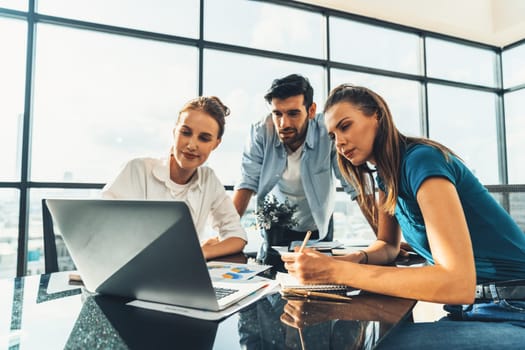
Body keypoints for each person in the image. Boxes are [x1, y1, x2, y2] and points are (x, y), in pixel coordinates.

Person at [282, 84, 525, 348]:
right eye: (332, 136)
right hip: (472, 310)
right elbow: (388, 245)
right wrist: (357, 258)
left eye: (345, 126)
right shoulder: (387, 178)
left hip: (511, 309)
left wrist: (337, 271)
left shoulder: (422, 161)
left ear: (377, 116)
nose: (339, 142)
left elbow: (457, 281)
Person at [102, 96, 247, 260]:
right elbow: (102, 226)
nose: (192, 145)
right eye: (186, 133)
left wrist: (199, 253)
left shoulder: (209, 180)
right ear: (174, 131)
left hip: (180, 274)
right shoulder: (137, 170)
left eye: (204, 138)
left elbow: (237, 236)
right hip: (130, 270)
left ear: (216, 143)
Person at [232, 74, 357, 256]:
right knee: (271, 272)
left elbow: (354, 185)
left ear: (311, 110)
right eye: (277, 114)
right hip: (277, 221)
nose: (284, 124)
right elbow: (247, 182)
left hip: (317, 222)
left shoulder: (327, 131)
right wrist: (227, 235)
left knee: (318, 279)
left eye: (293, 113)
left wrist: (383, 240)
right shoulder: (261, 131)